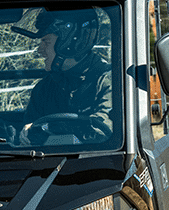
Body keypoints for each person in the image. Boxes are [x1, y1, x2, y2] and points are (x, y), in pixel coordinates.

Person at [16, 8, 113, 145]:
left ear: (71, 42)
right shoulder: (44, 88)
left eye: (46, 42)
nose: (40, 50)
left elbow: (101, 129)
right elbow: (29, 134)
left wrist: (48, 127)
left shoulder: (108, 81)